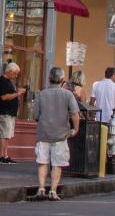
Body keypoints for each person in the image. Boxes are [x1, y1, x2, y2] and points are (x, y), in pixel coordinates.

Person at [32, 67, 80, 200]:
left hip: (44, 133)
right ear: (62, 80)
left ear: (49, 79)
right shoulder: (68, 95)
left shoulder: (41, 94)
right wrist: (75, 129)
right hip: (61, 134)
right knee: (57, 164)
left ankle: (41, 188)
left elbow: (35, 115)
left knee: (42, 162)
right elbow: (75, 114)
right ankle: (53, 191)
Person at [0, 62, 27, 164]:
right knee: (4, 134)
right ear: (9, 71)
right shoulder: (2, 81)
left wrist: (17, 92)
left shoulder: (8, 81)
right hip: (4, 112)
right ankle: (1, 156)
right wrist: (17, 93)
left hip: (10, 113)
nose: (16, 76)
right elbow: (4, 97)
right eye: (15, 73)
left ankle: (5, 155)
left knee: (7, 135)